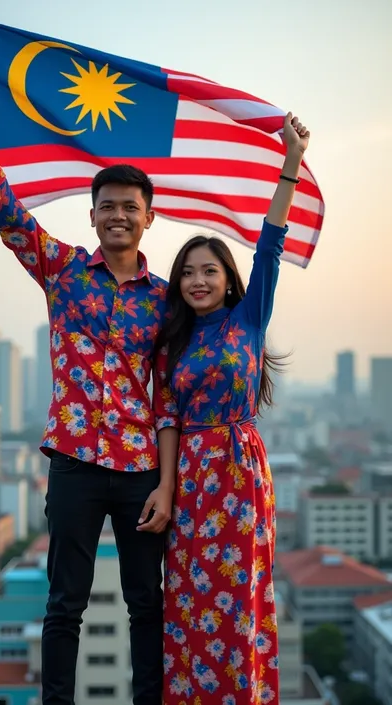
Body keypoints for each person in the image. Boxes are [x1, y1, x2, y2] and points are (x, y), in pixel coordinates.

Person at [0, 56, 180, 705]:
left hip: (140, 471)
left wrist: (168, 481)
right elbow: (1, 202)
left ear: (147, 218)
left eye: (129, 208)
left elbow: (172, 396)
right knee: (63, 604)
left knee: (145, 603)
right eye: (106, 207)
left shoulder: (166, 300)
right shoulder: (64, 271)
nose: (117, 216)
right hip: (74, 465)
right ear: (93, 215)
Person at [158, 113, 310, 703]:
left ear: (227, 280)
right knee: (189, 600)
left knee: (240, 596)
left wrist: (291, 159)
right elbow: (166, 418)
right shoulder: (171, 341)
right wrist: (168, 487)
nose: (198, 280)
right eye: (188, 273)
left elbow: (270, 243)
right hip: (192, 481)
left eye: (210, 271)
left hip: (241, 475)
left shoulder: (249, 320)